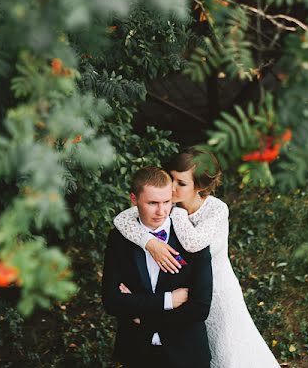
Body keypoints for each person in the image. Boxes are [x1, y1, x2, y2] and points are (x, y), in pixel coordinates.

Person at [114, 149, 280, 367]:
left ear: (199, 187)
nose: (172, 187)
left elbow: (193, 243)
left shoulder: (216, 209)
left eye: (181, 183)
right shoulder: (167, 202)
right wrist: (150, 243)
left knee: (229, 355)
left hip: (218, 294)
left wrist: (177, 213)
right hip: (185, 292)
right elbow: (121, 219)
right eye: (171, 178)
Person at [102, 166, 213, 368]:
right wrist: (168, 300)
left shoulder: (191, 237)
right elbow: (112, 301)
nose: (161, 211)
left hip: (187, 355)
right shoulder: (119, 238)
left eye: (166, 202)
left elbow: (200, 308)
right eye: (152, 203)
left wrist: (143, 317)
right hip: (136, 353)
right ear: (134, 200)